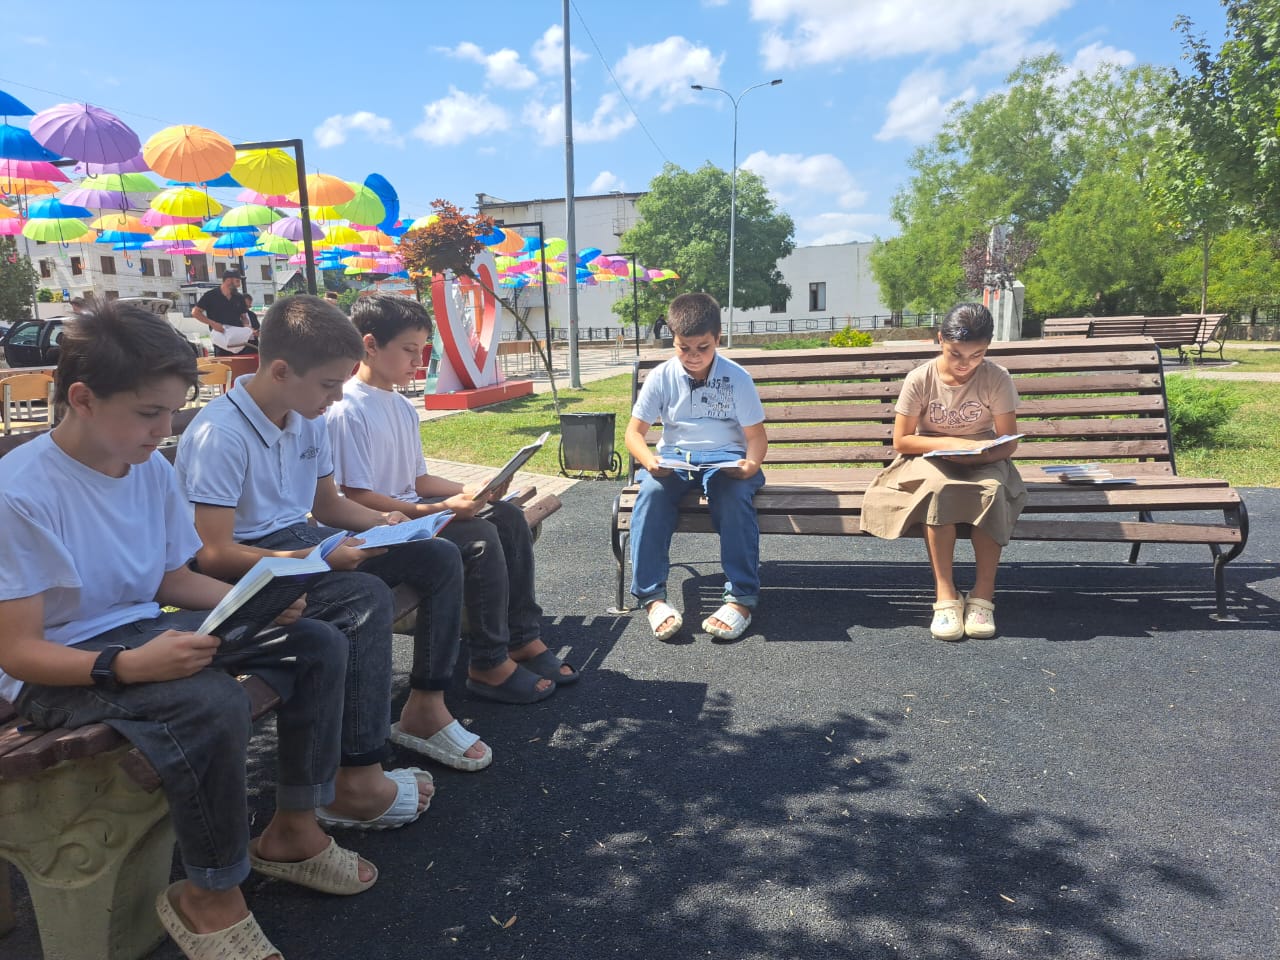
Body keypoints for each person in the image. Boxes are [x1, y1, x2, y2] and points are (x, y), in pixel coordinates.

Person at [0, 301, 375, 960]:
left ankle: (294, 829)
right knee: (210, 698)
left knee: (314, 640)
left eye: (173, 412)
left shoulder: (146, 467)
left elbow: (171, 578)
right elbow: (19, 652)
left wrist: (251, 602)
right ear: (82, 399)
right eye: (150, 413)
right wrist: (123, 667)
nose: (165, 430)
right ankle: (211, 892)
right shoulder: (20, 492)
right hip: (58, 667)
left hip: (136, 630)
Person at [175, 294, 491, 786]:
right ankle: (357, 769)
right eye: (329, 384)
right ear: (281, 371)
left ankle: (426, 707)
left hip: (304, 542)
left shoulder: (307, 419)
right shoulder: (221, 434)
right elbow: (212, 555)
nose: (339, 397)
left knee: (436, 555)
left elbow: (328, 506)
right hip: (249, 567)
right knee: (363, 597)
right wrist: (316, 555)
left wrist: (383, 520)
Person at [326, 295, 573, 715]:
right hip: (378, 526)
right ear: (370, 345)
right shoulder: (348, 409)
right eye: (409, 349)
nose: (418, 360)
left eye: (422, 349)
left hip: (412, 512)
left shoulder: (401, 405)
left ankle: (521, 637)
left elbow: (418, 480)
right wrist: (444, 507)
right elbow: (357, 497)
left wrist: (473, 488)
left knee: (508, 516)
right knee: (479, 536)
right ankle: (488, 663)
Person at [859, 302, 1027, 640]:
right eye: (956, 354)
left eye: (977, 355)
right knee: (937, 489)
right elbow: (902, 440)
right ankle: (945, 592)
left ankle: (983, 594)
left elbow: (1008, 441)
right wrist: (951, 444)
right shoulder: (921, 378)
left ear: (988, 347)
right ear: (940, 340)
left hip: (984, 456)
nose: (966, 364)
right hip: (930, 455)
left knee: (993, 490)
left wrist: (978, 455)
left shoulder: (997, 377)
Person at [624, 292, 768, 642]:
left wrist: (750, 466)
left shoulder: (737, 378)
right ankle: (652, 598)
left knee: (732, 497)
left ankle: (742, 599)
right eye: (683, 348)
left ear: (718, 337)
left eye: (703, 347)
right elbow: (634, 434)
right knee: (651, 495)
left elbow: (756, 438)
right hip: (676, 459)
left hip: (726, 460)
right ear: (673, 340)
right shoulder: (661, 376)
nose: (693, 356)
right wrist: (649, 461)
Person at [192, 267, 255, 356]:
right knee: (224, 363)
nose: (239, 285)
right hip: (220, 340)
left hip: (237, 340)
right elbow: (195, 312)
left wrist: (247, 327)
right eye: (237, 281)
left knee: (241, 363)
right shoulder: (210, 295)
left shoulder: (239, 297)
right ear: (228, 280)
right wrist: (213, 324)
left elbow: (244, 317)